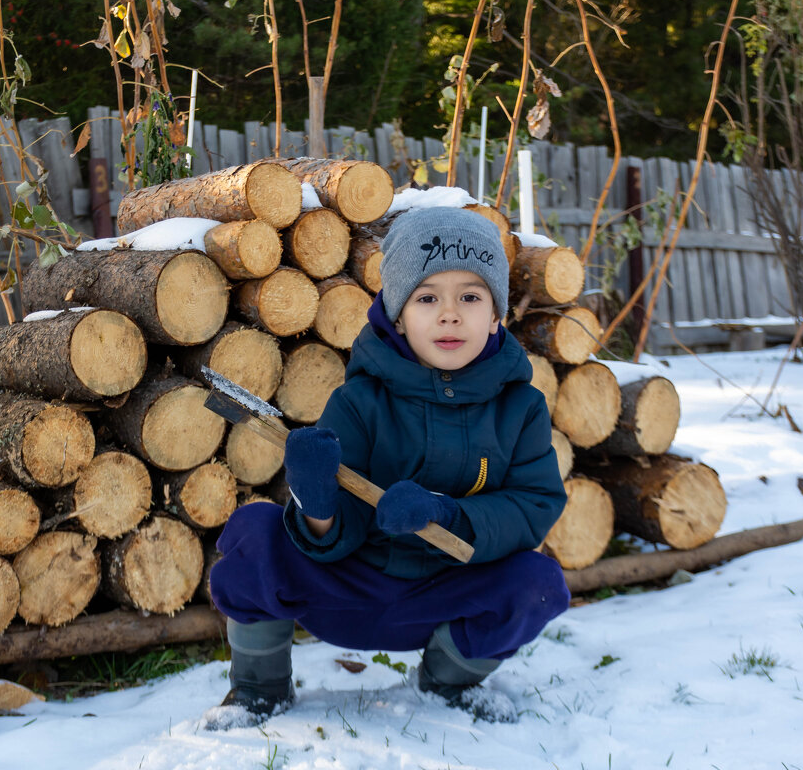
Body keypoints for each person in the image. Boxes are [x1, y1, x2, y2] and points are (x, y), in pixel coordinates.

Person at [207, 206, 570, 725]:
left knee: (537, 582)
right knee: (255, 533)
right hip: (345, 589)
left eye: (470, 296)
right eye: (427, 298)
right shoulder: (359, 402)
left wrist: (446, 515)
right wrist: (317, 502)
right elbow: (330, 532)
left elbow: (534, 503)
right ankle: (259, 688)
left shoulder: (521, 407)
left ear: (496, 315)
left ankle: (445, 682)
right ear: (398, 314)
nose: (450, 314)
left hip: (445, 596)